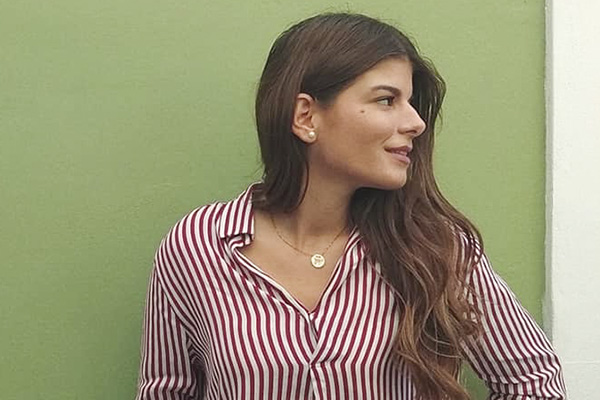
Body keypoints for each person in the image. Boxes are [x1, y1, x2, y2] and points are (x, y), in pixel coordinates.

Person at [135, 12, 566, 400]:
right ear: (306, 116)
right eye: (386, 99)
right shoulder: (198, 246)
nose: (415, 122)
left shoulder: (435, 247)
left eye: (410, 102)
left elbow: (535, 382)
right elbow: (164, 392)